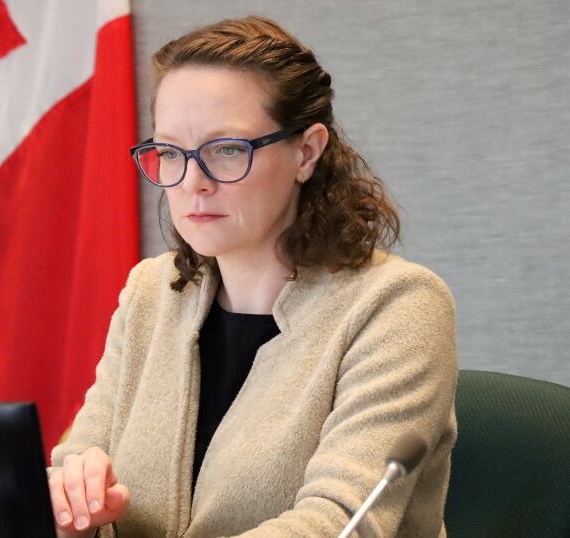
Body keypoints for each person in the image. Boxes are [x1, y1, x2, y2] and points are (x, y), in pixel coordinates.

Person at [47, 16, 457, 538]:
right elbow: (78, 463)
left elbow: (342, 523)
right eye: (171, 152)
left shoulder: (398, 305)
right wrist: (73, 510)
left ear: (305, 152)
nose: (192, 183)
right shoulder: (150, 293)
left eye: (226, 150)